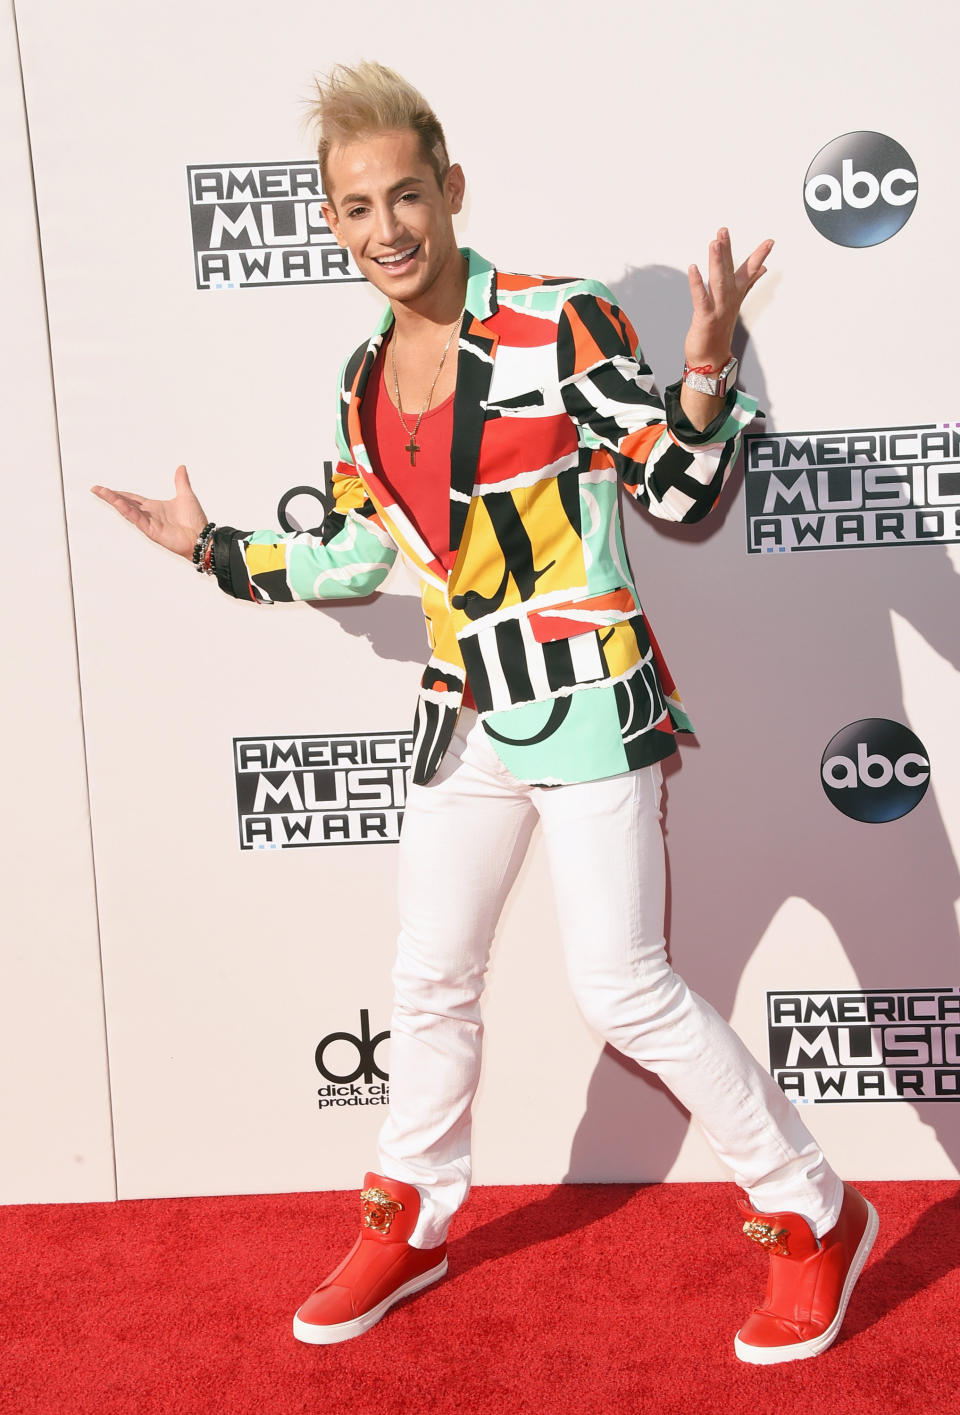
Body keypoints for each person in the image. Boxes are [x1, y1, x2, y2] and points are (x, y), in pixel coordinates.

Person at [92, 61, 877, 1364]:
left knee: (623, 988)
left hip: (582, 706)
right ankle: (415, 1216)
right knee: (432, 975)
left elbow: (678, 493)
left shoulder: (556, 325)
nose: (386, 228)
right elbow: (350, 557)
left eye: (406, 194)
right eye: (356, 208)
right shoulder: (355, 379)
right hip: (463, 713)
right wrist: (212, 547)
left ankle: (812, 1211)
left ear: (451, 191)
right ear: (332, 226)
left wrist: (702, 372)